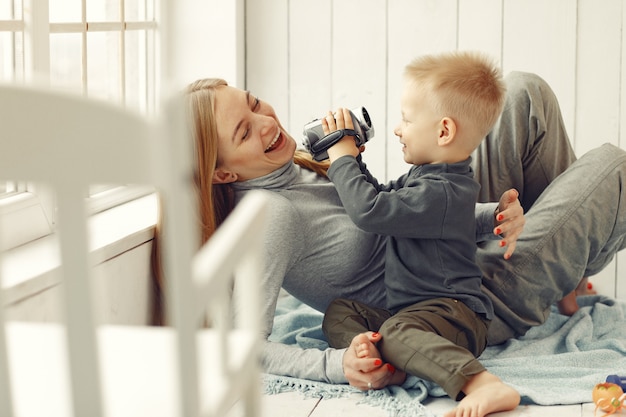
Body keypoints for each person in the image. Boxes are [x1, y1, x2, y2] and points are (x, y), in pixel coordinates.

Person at [151, 66, 626, 416]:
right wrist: (338, 365)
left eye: (254, 104)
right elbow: (244, 345)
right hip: (464, 298)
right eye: (243, 130)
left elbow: (400, 205)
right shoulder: (272, 217)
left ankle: (566, 273)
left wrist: (488, 216)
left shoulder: (296, 166)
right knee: (612, 166)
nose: (266, 122)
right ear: (223, 172)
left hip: (448, 248)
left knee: (523, 93)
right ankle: (566, 260)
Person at [320, 51, 519, 416]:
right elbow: (378, 195)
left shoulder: (441, 193)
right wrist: (356, 160)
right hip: (414, 314)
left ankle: (483, 384)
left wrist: (342, 160)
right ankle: (381, 366)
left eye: (407, 120)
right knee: (340, 311)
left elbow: (369, 211)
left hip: (455, 318)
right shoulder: (426, 178)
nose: (398, 128)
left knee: (396, 332)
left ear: (443, 131)